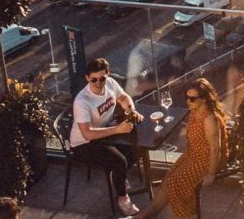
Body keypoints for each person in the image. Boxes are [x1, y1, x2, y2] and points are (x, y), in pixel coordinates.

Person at [134, 78, 228, 219]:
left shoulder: (209, 119)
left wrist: (211, 174)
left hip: (208, 160)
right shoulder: (195, 111)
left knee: (176, 182)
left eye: (192, 99)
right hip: (194, 154)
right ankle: (148, 215)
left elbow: (215, 149)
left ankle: (182, 215)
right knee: (168, 179)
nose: (188, 101)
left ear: (204, 99)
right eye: (186, 97)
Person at [70, 57, 143, 216]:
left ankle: (118, 177)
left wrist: (131, 111)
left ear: (107, 75)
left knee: (137, 146)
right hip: (84, 143)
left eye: (102, 78)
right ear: (87, 78)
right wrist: (117, 129)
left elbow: (123, 98)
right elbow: (87, 133)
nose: (98, 83)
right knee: (119, 160)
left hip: (104, 132)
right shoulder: (82, 101)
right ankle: (122, 198)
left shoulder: (110, 83)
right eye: (93, 79)